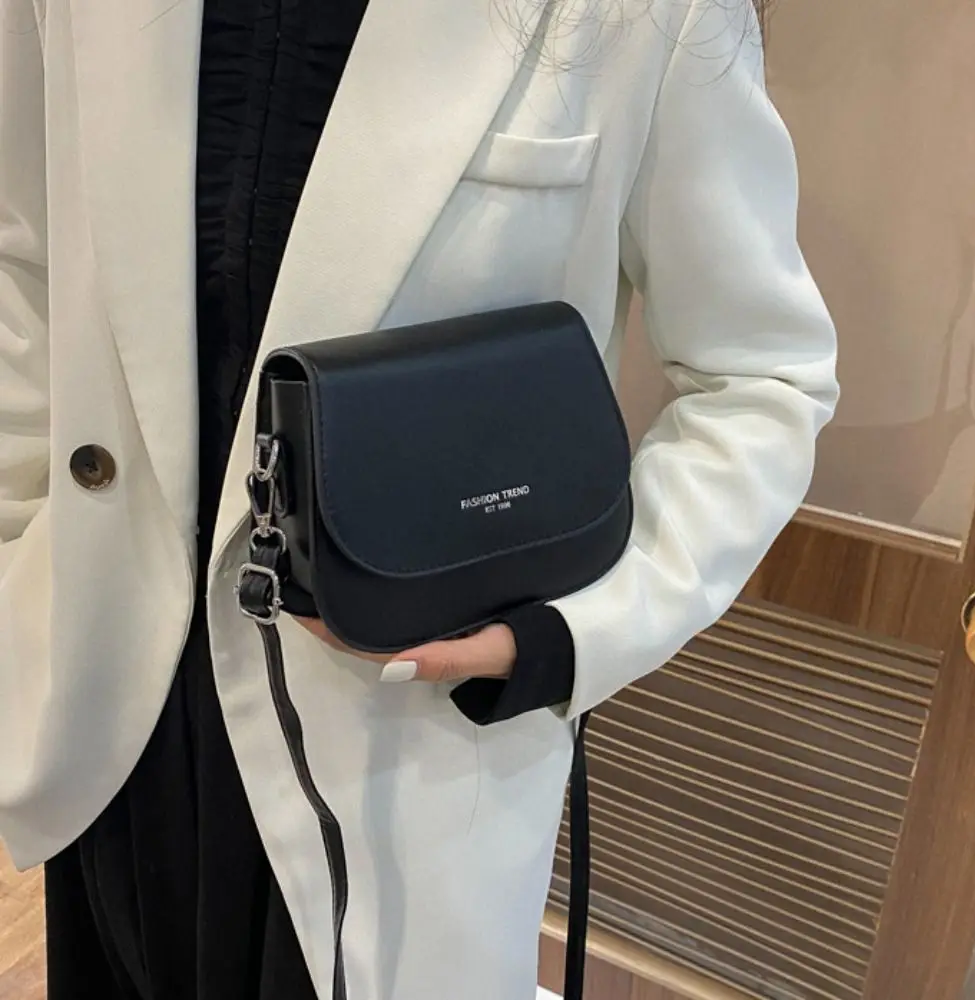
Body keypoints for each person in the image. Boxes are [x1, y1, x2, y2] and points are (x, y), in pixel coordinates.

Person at [0, 0, 838, 997]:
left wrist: (570, 634)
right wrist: (19, 557)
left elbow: (761, 379)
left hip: (401, 747)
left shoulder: (649, 14)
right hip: (111, 726)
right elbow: (25, 259)